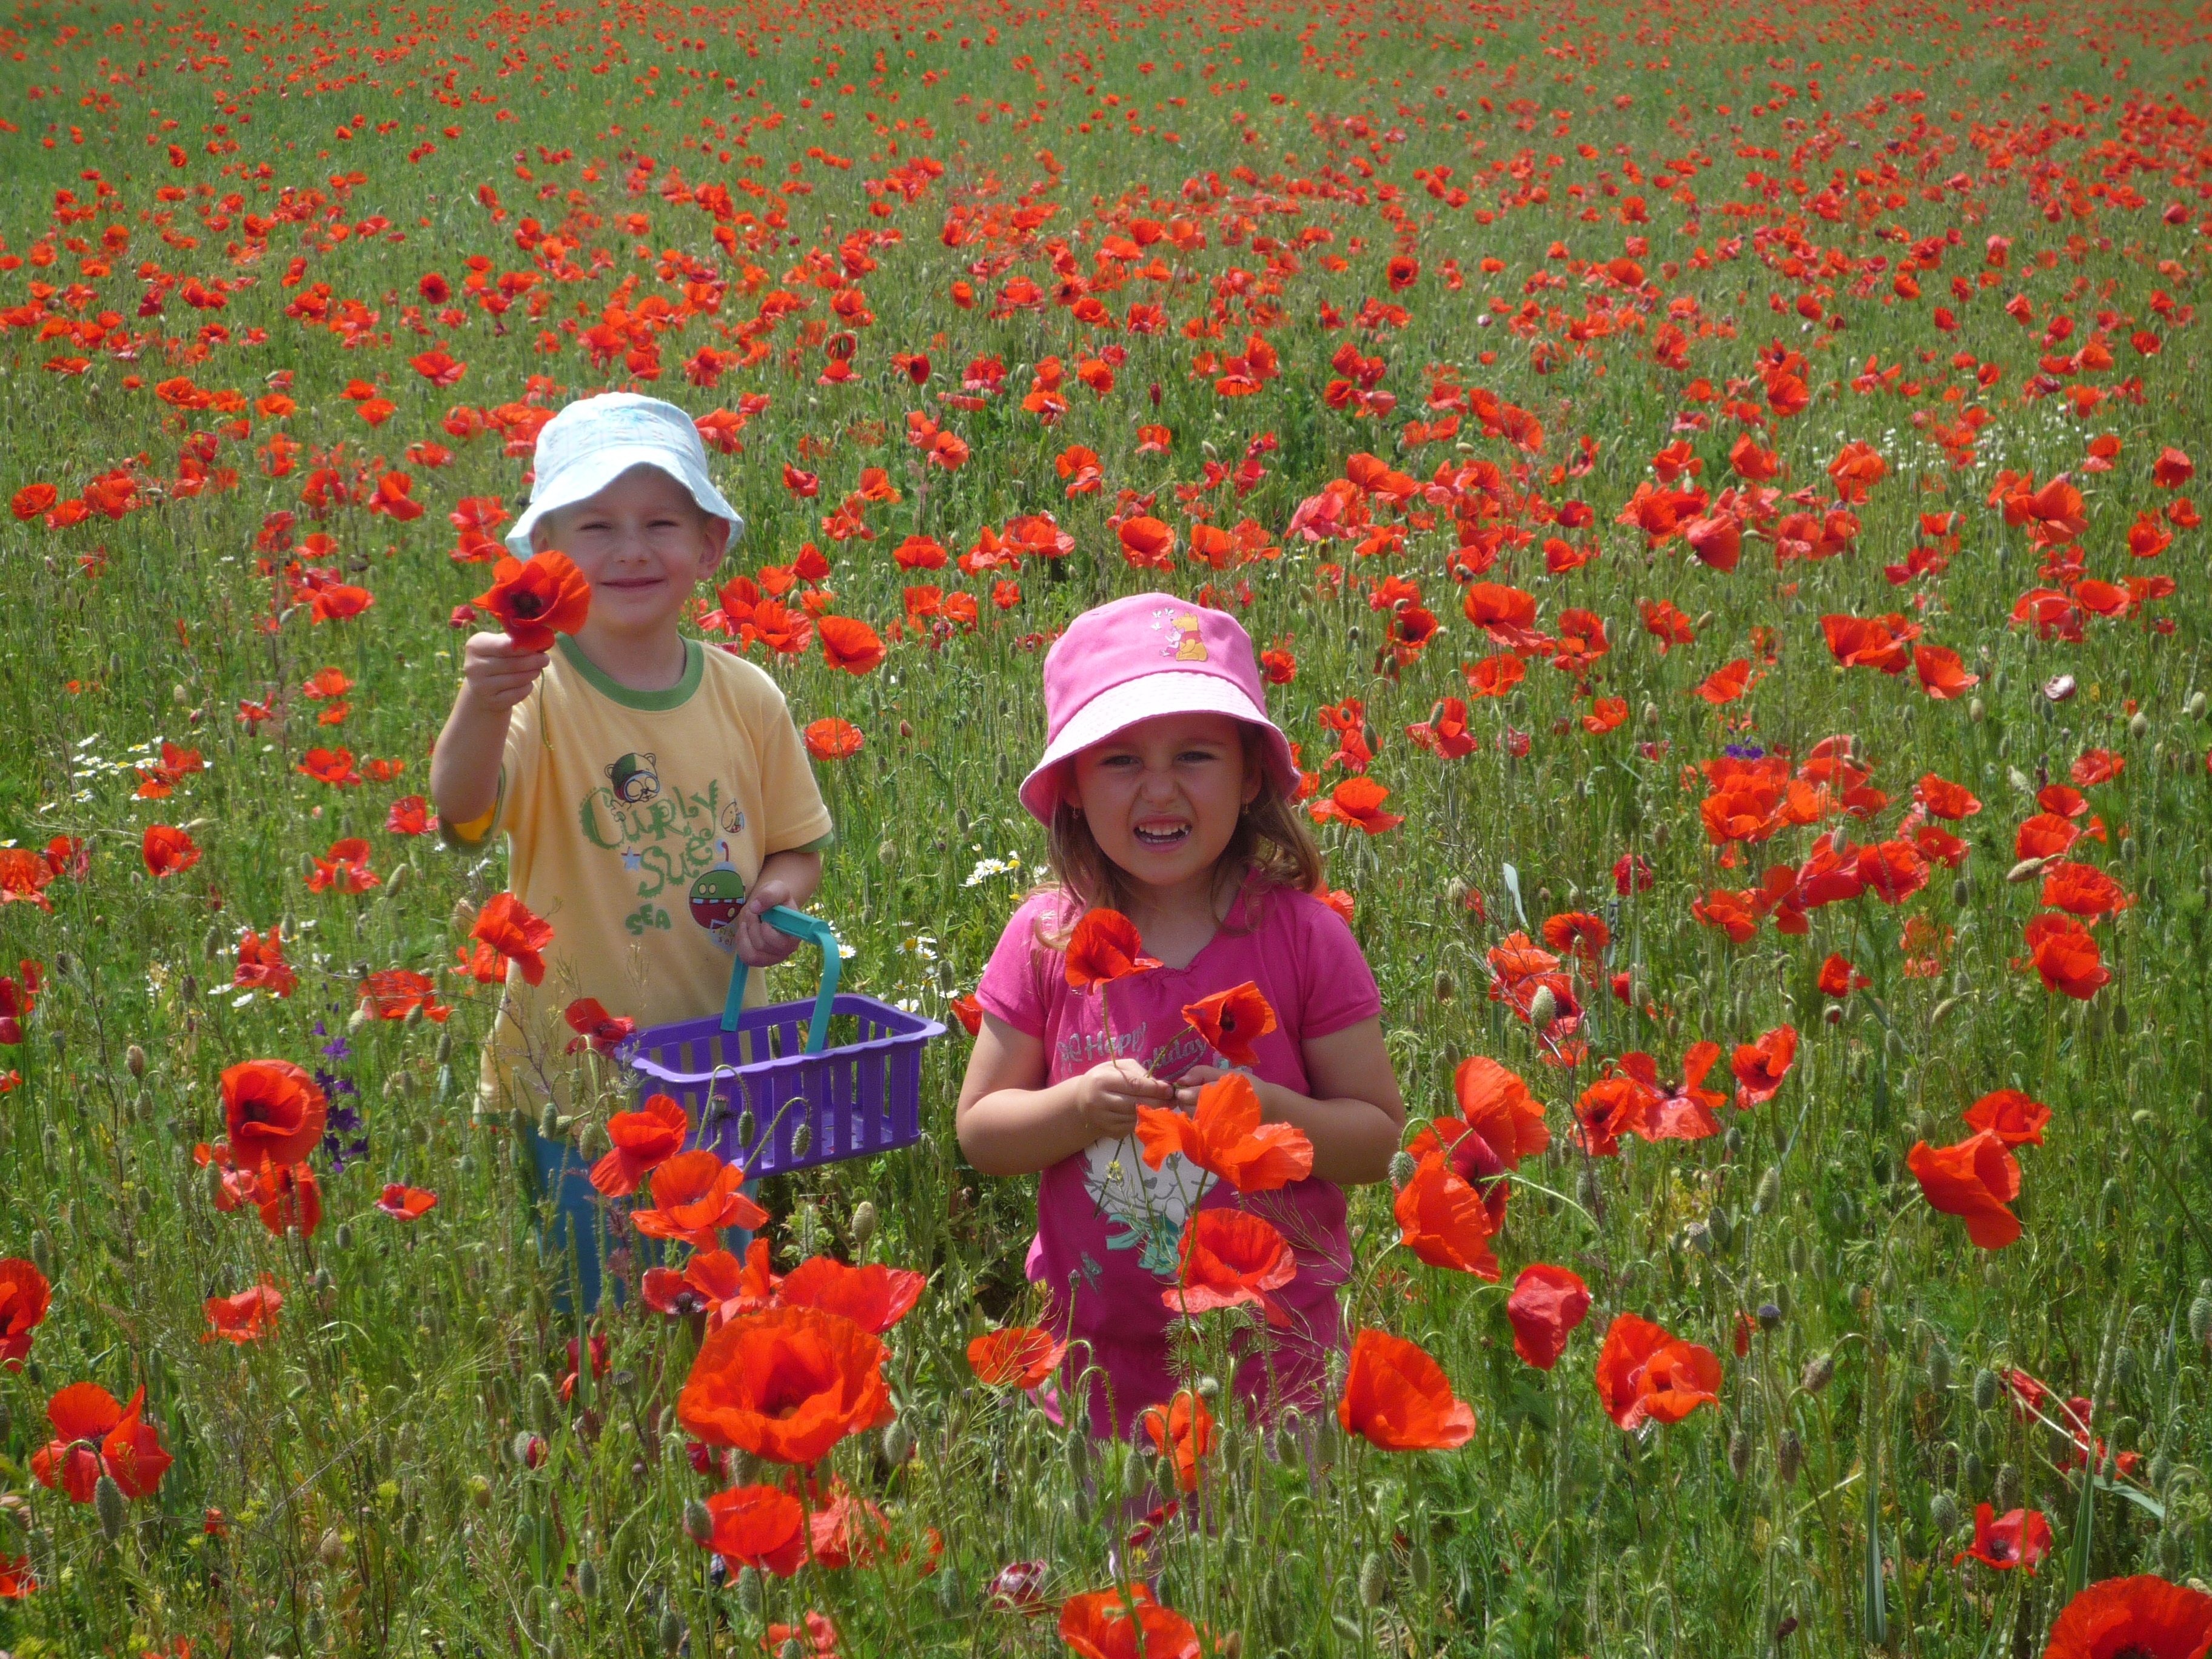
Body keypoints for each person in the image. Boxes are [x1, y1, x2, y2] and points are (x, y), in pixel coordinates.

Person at [957, 594, 1404, 1436]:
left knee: (1265, 1561)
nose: (1159, 790)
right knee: (1116, 1570)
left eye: (1194, 755)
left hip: (1279, 1363)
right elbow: (981, 1131)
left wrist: (1269, 1114)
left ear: (1248, 776)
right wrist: (1079, 1107)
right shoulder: (1046, 938)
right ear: (1075, 789)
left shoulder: (1307, 939)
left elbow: (1379, 1141)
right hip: (1098, 1365)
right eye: (1120, 760)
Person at [431, 392, 833, 1309]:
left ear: (710, 546)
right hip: (571, 1084)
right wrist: (482, 703)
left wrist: (771, 899)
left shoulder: (748, 696)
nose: (632, 549)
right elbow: (460, 811)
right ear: (546, 555)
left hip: (723, 1068)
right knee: (599, 1315)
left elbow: (797, 850)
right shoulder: (537, 696)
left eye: (662, 522)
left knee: (715, 1300)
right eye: (597, 525)